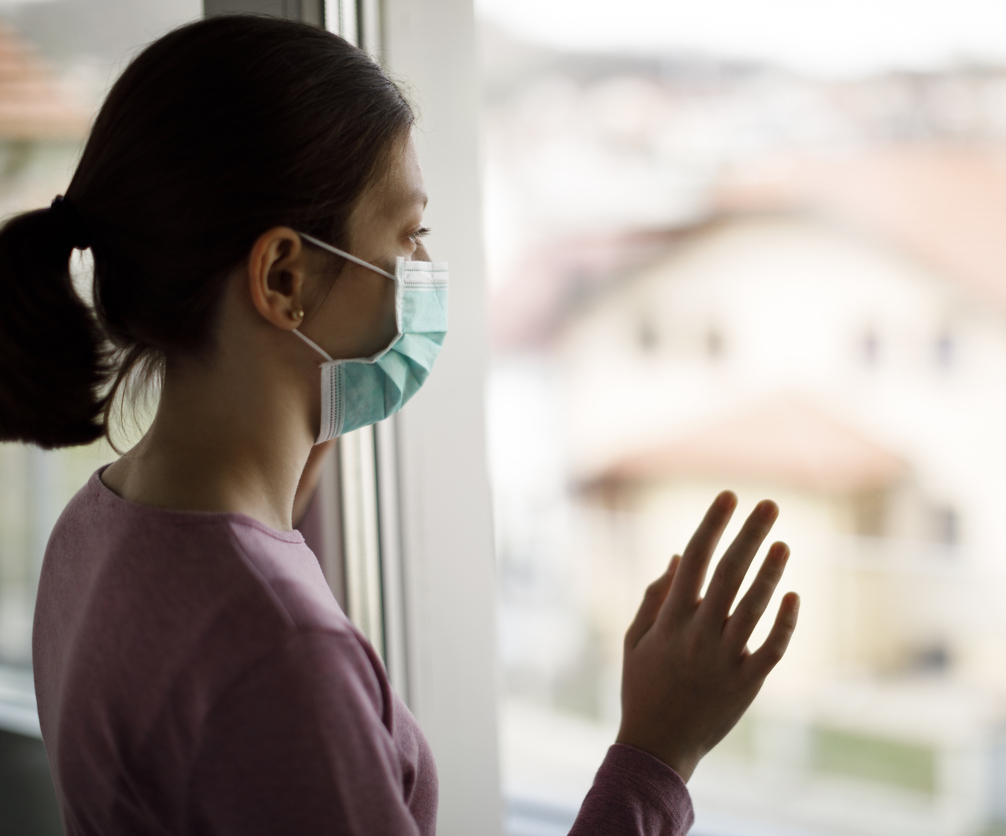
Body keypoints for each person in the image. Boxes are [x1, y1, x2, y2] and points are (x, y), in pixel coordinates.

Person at [0, 15, 800, 835]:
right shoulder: (276, 650)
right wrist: (658, 756)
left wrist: (296, 447)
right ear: (284, 277)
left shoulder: (96, 528)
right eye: (409, 233)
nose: (424, 272)